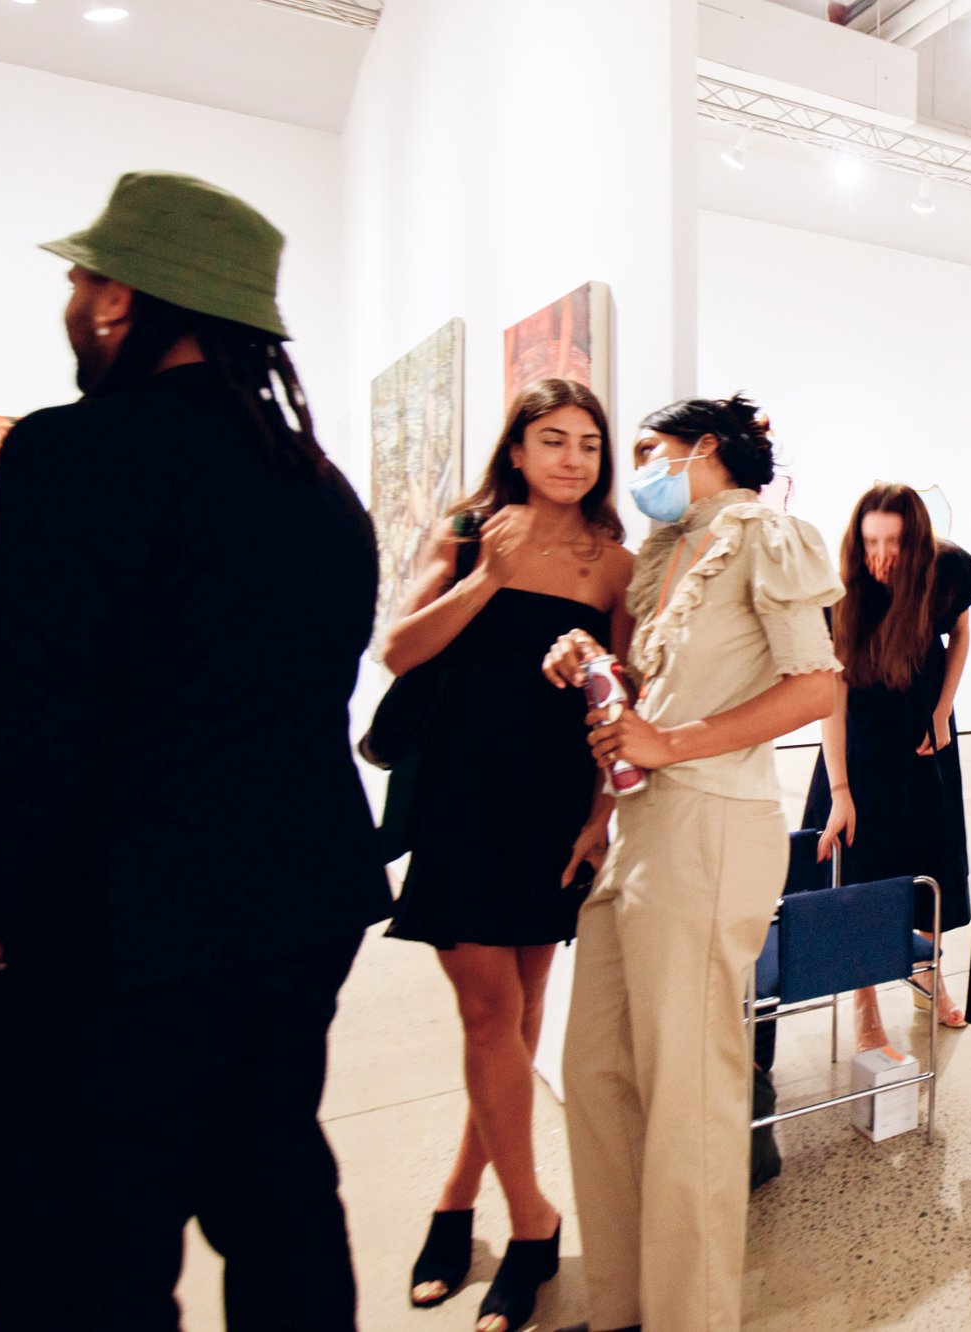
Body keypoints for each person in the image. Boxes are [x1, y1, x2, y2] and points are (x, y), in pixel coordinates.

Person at [0, 172, 392, 1327]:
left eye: (84, 277)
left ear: (126, 298)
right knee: (277, 1192)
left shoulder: (70, 454)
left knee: (90, 1253)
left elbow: (22, 710)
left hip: (115, 928)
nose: (75, 298)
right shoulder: (324, 492)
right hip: (296, 908)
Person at [541, 394, 840, 1332]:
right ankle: (625, 1300)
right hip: (638, 824)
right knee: (596, 1068)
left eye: (646, 451)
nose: (635, 470)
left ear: (706, 449)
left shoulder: (766, 535)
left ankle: (689, 1316)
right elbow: (650, 700)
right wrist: (595, 668)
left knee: (689, 1086)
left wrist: (674, 745)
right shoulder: (665, 557)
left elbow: (818, 685)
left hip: (713, 826)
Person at [382, 378, 634, 1327]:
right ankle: (532, 1219)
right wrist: (485, 577)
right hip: (459, 798)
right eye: (553, 440)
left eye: (588, 444)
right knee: (490, 1010)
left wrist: (601, 818)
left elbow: (616, 703)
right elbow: (398, 652)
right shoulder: (467, 532)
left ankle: (455, 1197)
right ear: (517, 450)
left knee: (518, 1015)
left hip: (551, 804)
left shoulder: (613, 564)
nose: (572, 459)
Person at [805, 483, 971, 1044]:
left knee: (931, 858)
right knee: (861, 873)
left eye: (892, 542)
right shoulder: (838, 588)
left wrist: (943, 708)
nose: (880, 555)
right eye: (869, 542)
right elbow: (830, 693)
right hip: (861, 744)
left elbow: (960, 633)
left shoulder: (945, 567)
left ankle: (926, 973)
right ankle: (865, 1006)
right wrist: (840, 787)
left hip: (925, 736)